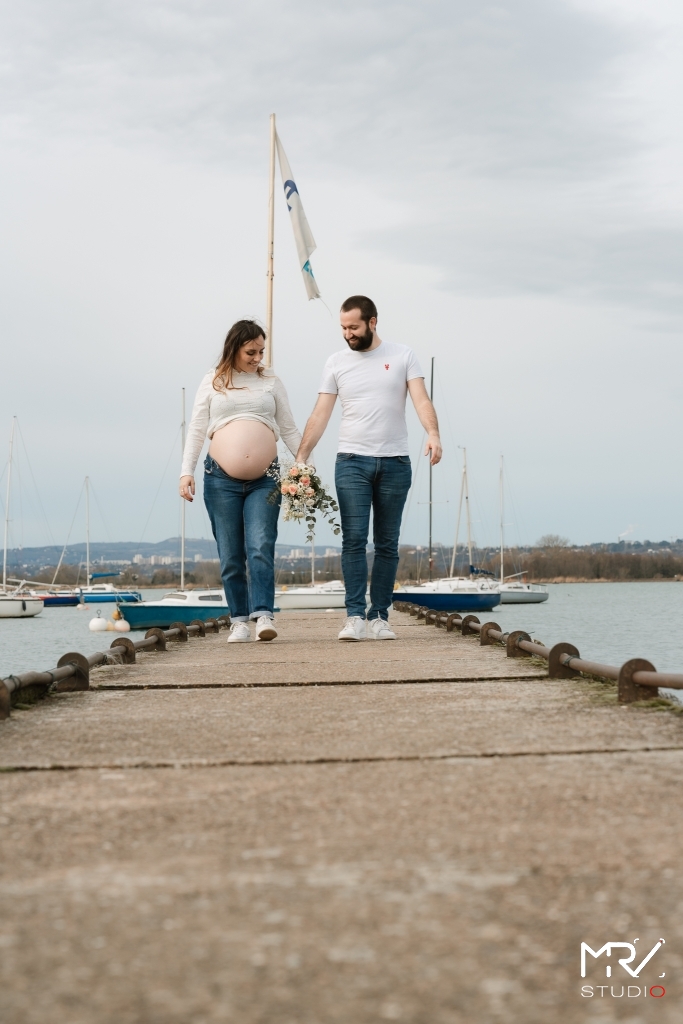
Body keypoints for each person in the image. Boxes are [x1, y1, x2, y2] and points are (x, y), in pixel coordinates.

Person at [296, 295, 442, 641]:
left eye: (354, 327)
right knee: (354, 540)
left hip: (395, 462)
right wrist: (302, 457)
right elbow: (320, 413)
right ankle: (354, 617)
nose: (347, 333)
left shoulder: (403, 355)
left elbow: (421, 400)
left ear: (372, 322)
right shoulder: (336, 362)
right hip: (351, 461)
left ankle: (379, 616)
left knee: (387, 543)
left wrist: (433, 433)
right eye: (343, 327)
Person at [179, 320, 302, 642]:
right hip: (220, 480)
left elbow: (289, 428)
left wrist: (307, 469)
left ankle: (263, 615)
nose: (257, 358)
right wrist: (186, 471)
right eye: (251, 352)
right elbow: (196, 428)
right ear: (234, 348)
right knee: (231, 554)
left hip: (266, 480)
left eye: (261, 351)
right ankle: (239, 621)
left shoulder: (271, 381)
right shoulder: (213, 380)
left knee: (260, 546)